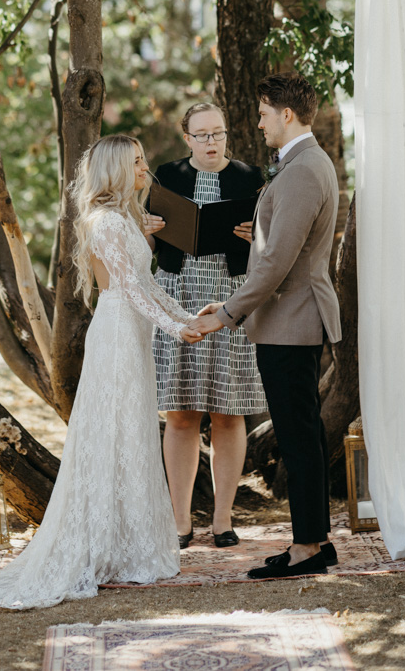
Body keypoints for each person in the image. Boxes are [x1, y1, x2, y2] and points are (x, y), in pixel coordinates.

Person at [0, 135, 202, 611]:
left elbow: (148, 284)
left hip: (133, 335)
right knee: (114, 432)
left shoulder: (126, 219)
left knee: (131, 434)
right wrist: (177, 329)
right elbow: (129, 289)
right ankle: (106, 548)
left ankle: (126, 546)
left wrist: (187, 318)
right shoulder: (106, 221)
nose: (144, 169)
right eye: (135, 163)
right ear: (114, 170)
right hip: (115, 337)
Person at [192, 73, 341, 578]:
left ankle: (305, 549)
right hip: (288, 318)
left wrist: (229, 314)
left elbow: (278, 261)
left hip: (290, 321)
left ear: (287, 114)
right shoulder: (302, 164)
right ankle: (317, 540)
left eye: (262, 114)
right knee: (306, 434)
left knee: (299, 439)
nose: (257, 123)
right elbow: (275, 247)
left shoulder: (302, 170)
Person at [146, 103, 266, 548]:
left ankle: (222, 519)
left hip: (229, 295)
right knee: (180, 414)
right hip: (176, 295)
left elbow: (271, 243)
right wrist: (149, 228)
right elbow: (149, 238)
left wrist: (259, 237)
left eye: (218, 133)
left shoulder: (250, 177)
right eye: (202, 135)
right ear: (188, 139)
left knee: (229, 412)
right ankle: (180, 521)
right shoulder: (166, 174)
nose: (212, 142)